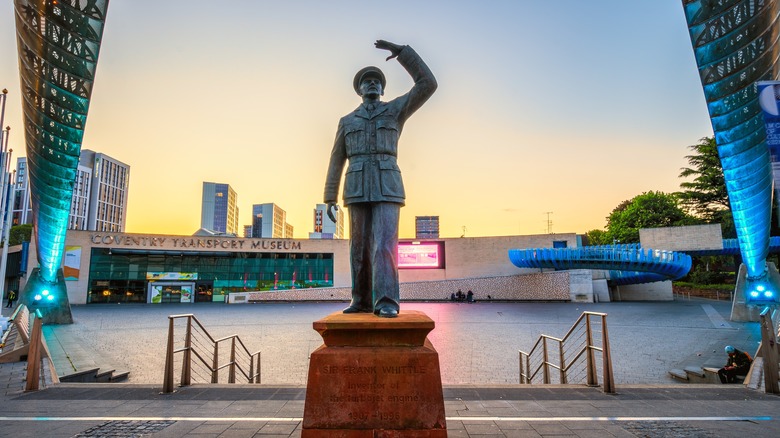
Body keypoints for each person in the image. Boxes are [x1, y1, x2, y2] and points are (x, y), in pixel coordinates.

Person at [324, 40, 437, 318]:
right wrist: (329, 196)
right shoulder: (347, 121)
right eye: (366, 81)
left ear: (382, 89)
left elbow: (427, 84)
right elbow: (337, 158)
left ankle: (386, 300)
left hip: (388, 186)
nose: (372, 84)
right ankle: (361, 299)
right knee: (359, 247)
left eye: (376, 81)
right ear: (359, 90)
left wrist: (403, 54)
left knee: (384, 244)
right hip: (356, 186)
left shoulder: (396, 110)